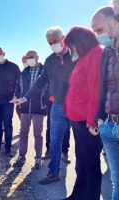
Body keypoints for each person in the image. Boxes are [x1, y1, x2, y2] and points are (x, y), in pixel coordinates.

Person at [10, 26, 77, 184]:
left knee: (81, 142)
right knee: (54, 141)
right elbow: (41, 81)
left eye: (56, 41)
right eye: (50, 43)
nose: (54, 44)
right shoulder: (50, 60)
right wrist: (25, 98)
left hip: (76, 104)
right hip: (59, 105)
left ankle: (82, 178)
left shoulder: (76, 56)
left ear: (64, 38)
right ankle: (53, 173)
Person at [63, 26, 103, 200]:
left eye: (71, 45)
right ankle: (78, 195)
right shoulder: (83, 57)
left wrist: (92, 121)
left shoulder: (95, 54)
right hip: (77, 119)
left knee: (91, 163)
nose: (70, 49)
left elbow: (96, 88)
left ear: (79, 42)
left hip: (86, 121)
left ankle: (91, 196)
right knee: (82, 161)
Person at [92, 6, 119, 200]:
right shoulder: (107, 53)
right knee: (116, 183)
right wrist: (100, 119)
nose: (97, 36)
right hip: (109, 126)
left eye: (99, 30)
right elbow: (103, 89)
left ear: (114, 22)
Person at [13, 50, 48, 169]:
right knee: (23, 133)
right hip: (25, 108)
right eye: (27, 58)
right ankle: (21, 156)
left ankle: (38, 158)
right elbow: (18, 87)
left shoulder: (45, 71)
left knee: (38, 134)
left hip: (39, 108)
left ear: (37, 57)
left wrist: (45, 101)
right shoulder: (23, 73)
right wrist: (16, 97)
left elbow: (49, 89)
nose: (29, 60)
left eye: (31, 57)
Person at [0, 47, 21, 157]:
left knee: (7, 124)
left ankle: (8, 147)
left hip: (8, 100)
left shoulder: (13, 67)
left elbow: (20, 83)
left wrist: (17, 95)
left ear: (4, 53)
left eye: (0, 53)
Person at [43, 96, 71, 164]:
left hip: (68, 102)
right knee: (50, 127)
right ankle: (49, 150)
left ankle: (64, 152)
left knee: (66, 129)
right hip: (52, 102)